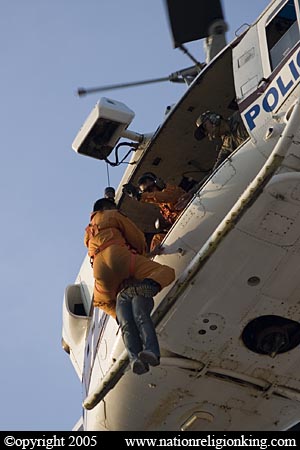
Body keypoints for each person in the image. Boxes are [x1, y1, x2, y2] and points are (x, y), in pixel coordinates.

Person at [84, 197, 175, 375]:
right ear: (107, 207)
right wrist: (142, 254)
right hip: (119, 257)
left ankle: (135, 359)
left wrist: (115, 314)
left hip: (101, 273)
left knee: (126, 323)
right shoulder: (111, 214)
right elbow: (136, 236)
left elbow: (100, 302)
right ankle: (148, 285)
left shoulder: (88, 233)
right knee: (165, 272)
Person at [175, 110, 249, 210]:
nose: (207, 133)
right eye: (205, 133)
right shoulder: (227, 146)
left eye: (205, 127)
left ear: (213, 118)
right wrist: (192, 192)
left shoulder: (240, 114)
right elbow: (214, 172)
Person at [122, 172, 185, 251]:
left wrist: (140, 196)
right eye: (146, 192)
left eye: (150, 189)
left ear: (158, 183)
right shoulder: (161, 205)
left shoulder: (171, 190)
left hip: (189, 220)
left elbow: (165, 197)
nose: (150, 193)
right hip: (182, 228)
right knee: (157, 239)